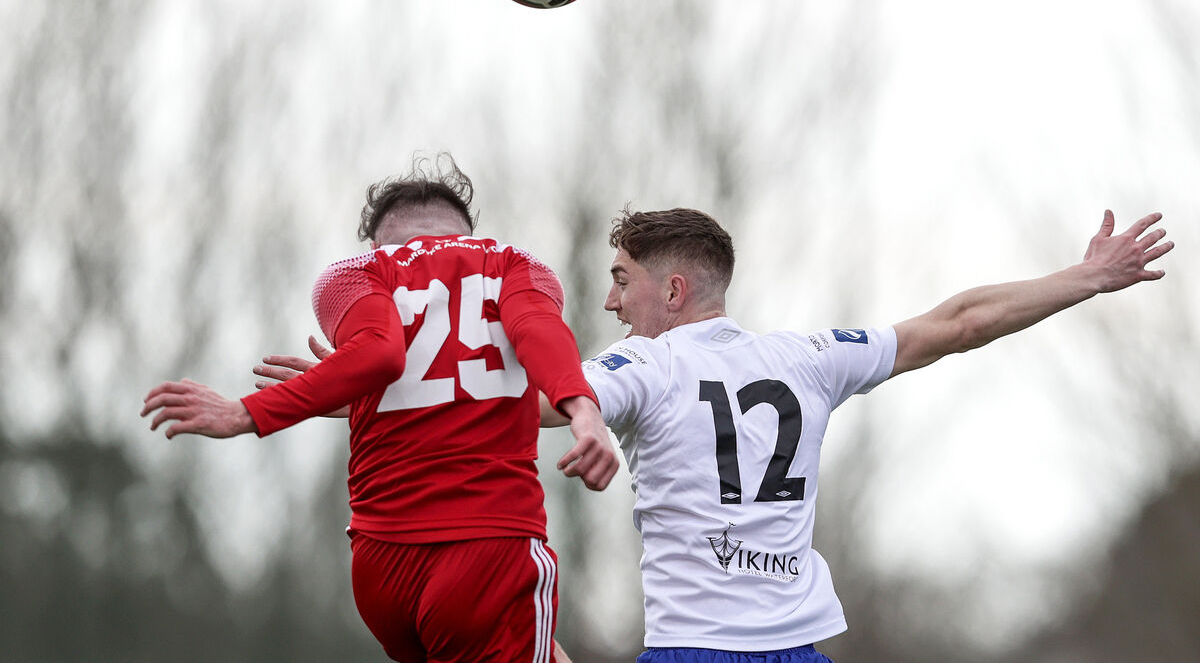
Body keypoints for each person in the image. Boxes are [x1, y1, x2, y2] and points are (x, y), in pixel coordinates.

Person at [538, 206, 1173, 663]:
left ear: (673, 290)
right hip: (799, 651)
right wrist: (1088, 276)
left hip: (694, 649)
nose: (611, 302)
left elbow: (540, 403)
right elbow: (959, 323)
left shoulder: (646, 364)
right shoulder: (810, 358)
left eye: (622, 280)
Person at [141, 154, 619, 663]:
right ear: (470, 235)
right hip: (485, 543)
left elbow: (379, 354)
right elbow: (538, 336)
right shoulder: (512, 263)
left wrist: (262, 407)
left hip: (381, 565)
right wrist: (585, 413)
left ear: (376, 244)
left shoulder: (356, 272)